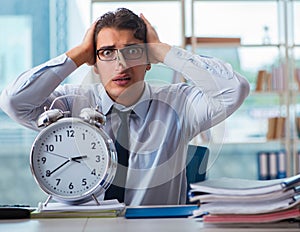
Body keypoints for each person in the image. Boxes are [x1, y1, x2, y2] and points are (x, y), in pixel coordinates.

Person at [0, 8, 250, 206]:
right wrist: (76, 55)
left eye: (132, 51)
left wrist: (163, 52)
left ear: (148, 60)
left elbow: (234, 90)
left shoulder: (178, 105)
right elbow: (13, 102)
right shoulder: (67, 105)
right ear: (94, 63)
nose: (121, 64)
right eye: (107, 52)